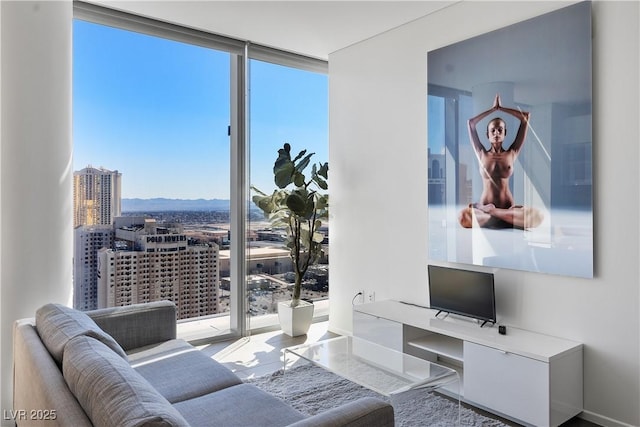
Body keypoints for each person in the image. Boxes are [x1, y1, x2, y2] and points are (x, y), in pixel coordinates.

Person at [458, 94, 543, 229]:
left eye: (500, 130)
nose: (496, 133)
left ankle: (495, 212)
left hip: (507, 211)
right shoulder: (481, 153)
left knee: (538, 216)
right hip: (485, 213)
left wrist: (501, 108)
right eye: (493, 130)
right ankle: (491, 212)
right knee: (462, 217)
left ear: (505, 133)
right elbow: (471, 123)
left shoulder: (512, 152)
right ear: (487, 134)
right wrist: (492, 110)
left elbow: (525, 117)